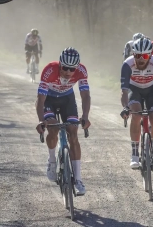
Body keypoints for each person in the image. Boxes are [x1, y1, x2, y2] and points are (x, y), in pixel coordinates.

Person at [35, 47, 91, 196]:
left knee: (73, 132)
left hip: (67, 99)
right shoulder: (49, 70)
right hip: (50, 100)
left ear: (77, 67)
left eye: (72, 69)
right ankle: (52, 161)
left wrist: (85, 116)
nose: (68, 72)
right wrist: (41, 120)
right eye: (65, 68)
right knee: (53, 128)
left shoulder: (82, 71)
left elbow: (85, 96)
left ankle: (78, 179)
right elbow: (40, 100)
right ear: (60, 64)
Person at [120, 37, 153, 172]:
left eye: (145, 55)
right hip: (134, 89)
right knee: (136, 115)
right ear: (133, 54)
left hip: (151, 90)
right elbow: (124, 91)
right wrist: (125, 107)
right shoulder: (127, 64)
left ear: (151, 55)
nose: (141, 59)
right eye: (138, 55)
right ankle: (135, 152)